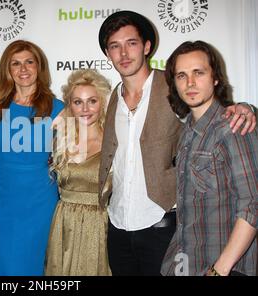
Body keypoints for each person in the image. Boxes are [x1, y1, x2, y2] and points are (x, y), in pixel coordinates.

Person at [97, 10, 256, 276]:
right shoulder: (113, 96)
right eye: (115, 46)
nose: (123, 54)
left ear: (147, 47)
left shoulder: (173, 87)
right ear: (107, 53)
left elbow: (212, 111)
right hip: (118, 227)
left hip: (161, 228)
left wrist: (247, 108)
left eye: (131, 43)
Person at [160, 41, 257, 276]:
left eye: (198, 73)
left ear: (215, 79)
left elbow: (252, 205)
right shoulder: (186, 132)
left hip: (225, 266)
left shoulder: (234, 127)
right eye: (181, 75)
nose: (190, 83)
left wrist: (219, 270)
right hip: (186, 262)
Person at [0, 40, 64, 275]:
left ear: (39, 67)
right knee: (6, 264)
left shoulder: (57, 108)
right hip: (3, 200)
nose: (23, 69)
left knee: (34, 264)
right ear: (7, 70)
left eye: (29, 62)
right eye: (15, 63)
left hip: (40, 199)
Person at [45, 69, 112, 276]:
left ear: (102, 102)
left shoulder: (114, 140)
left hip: (100, 225)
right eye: (77, 102)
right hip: (64, 223)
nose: (85, 109)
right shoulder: (60, 139)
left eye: (92, 101)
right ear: (69, 106)